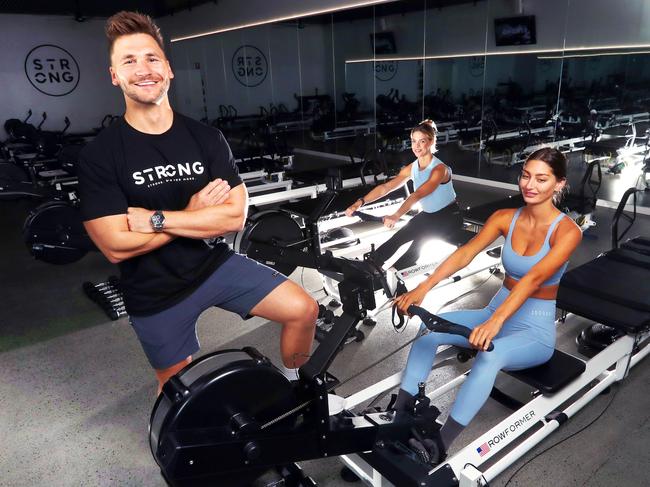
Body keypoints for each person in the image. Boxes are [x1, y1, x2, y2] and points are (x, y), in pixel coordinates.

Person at [76, 11, 318, 395]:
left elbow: (234, 216)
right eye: (129, 61)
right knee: (175, 388)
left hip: (212, 265)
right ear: (114, 75)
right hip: (154, 291)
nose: (143, 69)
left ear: (168, 69)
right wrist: (194, 215)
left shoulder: (206, 138)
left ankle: (294, 388)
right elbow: (115, 246)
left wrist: (158, 220)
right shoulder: (100, 155)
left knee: (304, 310)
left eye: (152, 58)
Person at [394, 147, 582, 462]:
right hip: (494, 310)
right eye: (525, 175)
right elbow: (465, 253)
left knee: (489, 358)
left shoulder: (567, 231)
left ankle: (440, 445)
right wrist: (423, 287)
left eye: (541, 178)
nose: (530, 185)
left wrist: (495, 325)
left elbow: (534, 279)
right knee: (429, 329)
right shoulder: (505, 218)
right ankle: (398, 420)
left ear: (559, 184)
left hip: (532, 328)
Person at [345, 119, 463, 271]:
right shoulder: (412, 167)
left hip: (449, 217)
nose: (417, 146)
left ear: (431, 141)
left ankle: (395, 274)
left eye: (422, 141)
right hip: (429, 216)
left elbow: (418, 194)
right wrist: (360, 202)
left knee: (420, 239)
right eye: (414, 141)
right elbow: (386, 187)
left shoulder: (440, 169)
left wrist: (396, 215)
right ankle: (371, 266)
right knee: (400, 236)